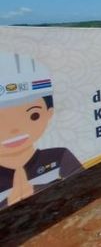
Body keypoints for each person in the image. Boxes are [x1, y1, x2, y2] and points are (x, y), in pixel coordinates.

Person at [0, 52, 82, 209]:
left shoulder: (60, 157)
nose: (14, 129)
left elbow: (83, 186)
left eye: (33, 115)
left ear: (49, 113)